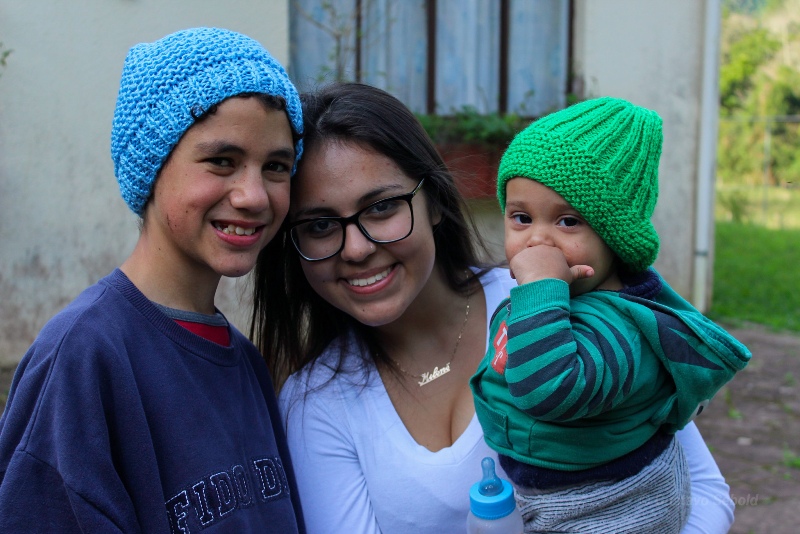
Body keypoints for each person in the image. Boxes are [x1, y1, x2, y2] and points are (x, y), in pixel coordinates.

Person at [252, 82, 739, 534]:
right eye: (318, 225)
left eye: (381, 207)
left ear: (435, 202)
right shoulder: (314, 402)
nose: (356, 249)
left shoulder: (551, 300)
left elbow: (706, 493)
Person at [0, 28, 305, 532]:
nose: (254, 195)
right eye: (222, 161)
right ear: (151, 165)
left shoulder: (246, 364)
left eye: (276, 166)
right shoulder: (82, 357)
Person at [471, 97, 752, 533]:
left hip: (610, 508)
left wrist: (542, 288)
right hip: (551, 496)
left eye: (567, 222)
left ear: (614, 240)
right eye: (521, 218)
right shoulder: (555, 301)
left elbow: (548, 390)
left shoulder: (619, 327)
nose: (538, 242)